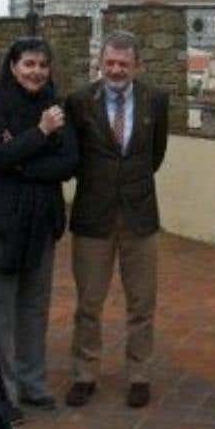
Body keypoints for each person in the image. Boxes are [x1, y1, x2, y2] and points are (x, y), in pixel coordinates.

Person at [0, 37, 78, 417]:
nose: (36, 72)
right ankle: (0, 391)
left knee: (34, 306)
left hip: (41, 221)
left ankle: (33, 383)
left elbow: (69, 163)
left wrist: (20, 160)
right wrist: (42, 135)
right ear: (13, 66)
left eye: (42, 65)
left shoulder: (56, 107)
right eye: (29, 64)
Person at [64, 31, 169, 409]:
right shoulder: (79, 102)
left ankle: (139, 374)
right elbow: (73, 156)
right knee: (88, 303)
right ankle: (84, 373)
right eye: (110, 63)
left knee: (142, 303)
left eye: (124, 63)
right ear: (100, 63)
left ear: (137, 65)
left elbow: (154, 156)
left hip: (140, 217)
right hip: (93, 217)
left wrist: (129, 186)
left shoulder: (155, 101)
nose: (116, 70)